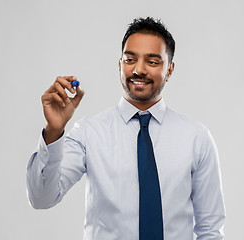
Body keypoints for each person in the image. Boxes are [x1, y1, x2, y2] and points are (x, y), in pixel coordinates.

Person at [27, 17, 225, 240]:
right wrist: (53, 131)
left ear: (169, 70)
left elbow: (210, 230)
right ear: (120, 64)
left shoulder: (196, 138)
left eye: (152, 61)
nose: (138, 70)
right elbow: (41, 198)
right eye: (130, 59)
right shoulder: (89, 133)